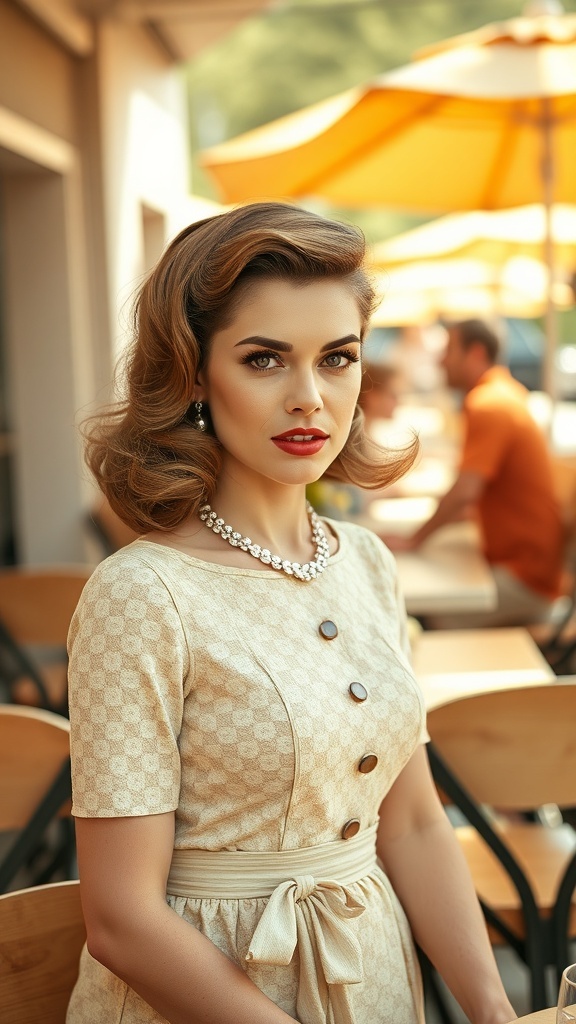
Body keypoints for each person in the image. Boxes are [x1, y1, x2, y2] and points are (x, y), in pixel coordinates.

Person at [66, 203, 516, 1024]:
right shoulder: (141, 596)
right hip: (209, 995)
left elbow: (411, 824)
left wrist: (493, 1009)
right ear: (195, 374)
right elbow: (121, 923)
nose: (310, 398)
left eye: (336, 358)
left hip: (369, 976)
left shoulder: (367, 563)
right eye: (265, 359)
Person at [385, 318, 564, 628]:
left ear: (476, 353)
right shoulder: (506, 393)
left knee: (423, 617)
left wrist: (416, 540)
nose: (441, 361)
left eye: (449, 350)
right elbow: (474, 498)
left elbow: (466, 491)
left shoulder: (488, 404)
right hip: (527, 568)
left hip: (524, 580)